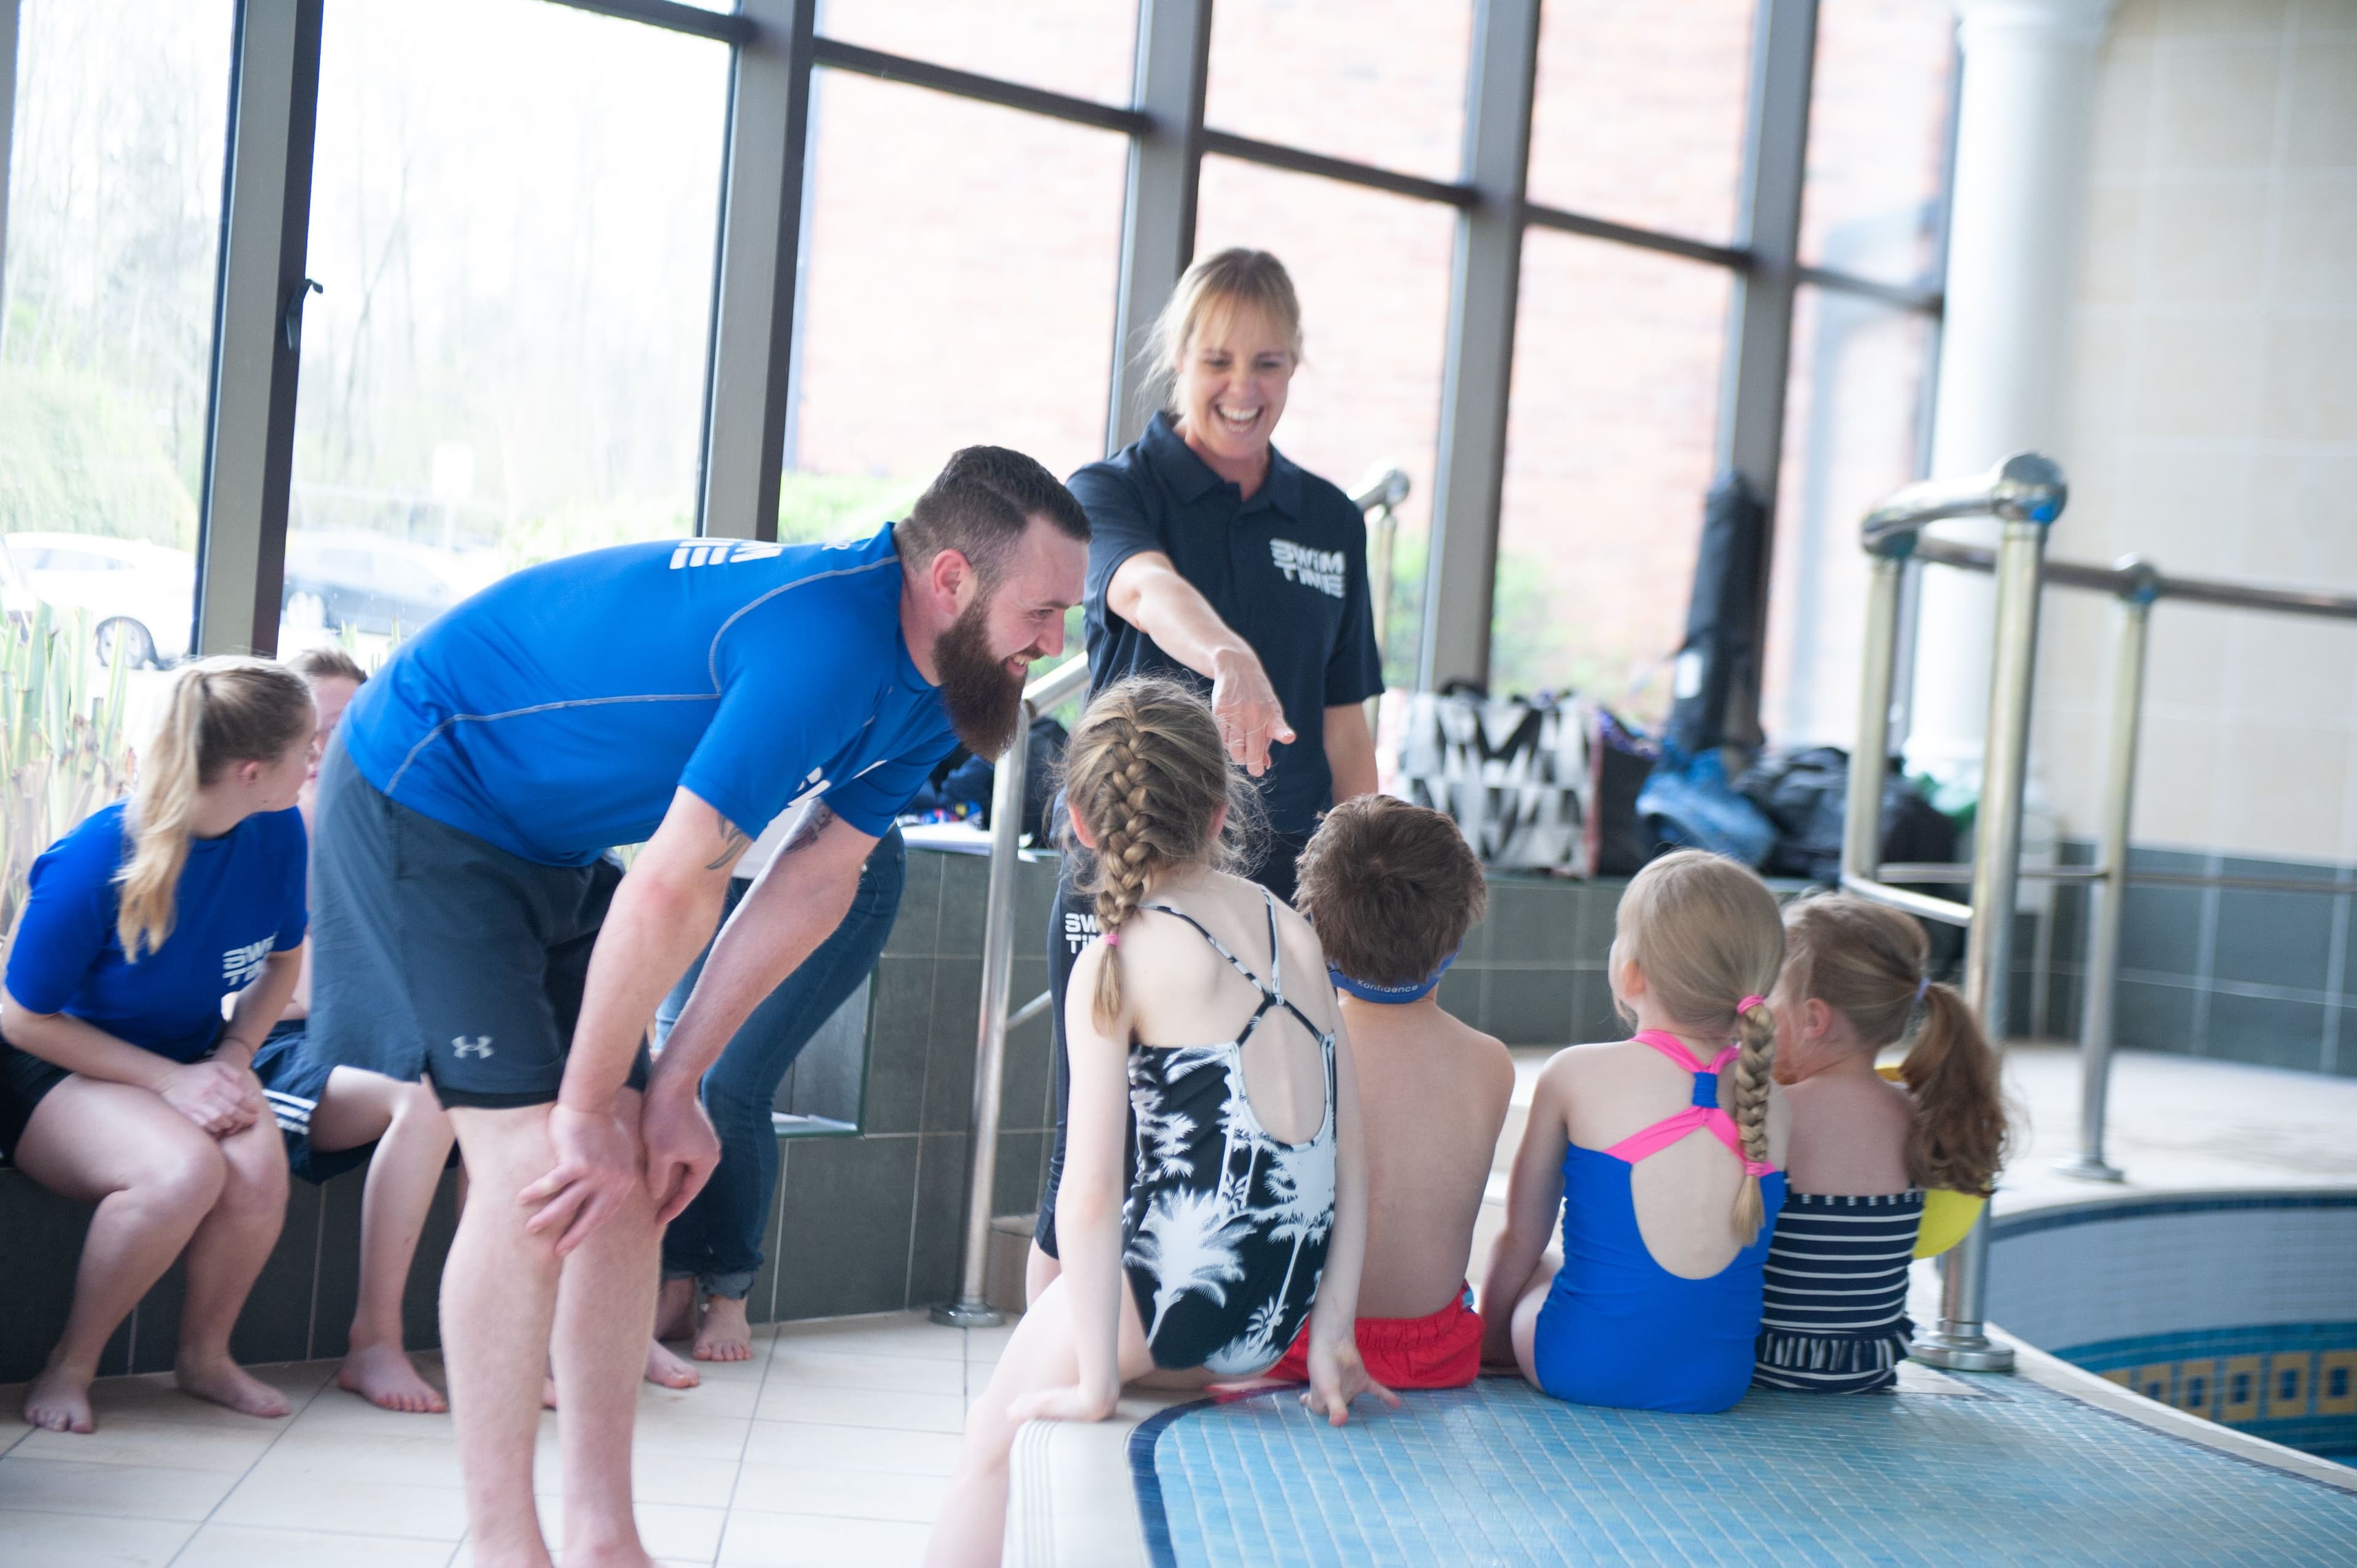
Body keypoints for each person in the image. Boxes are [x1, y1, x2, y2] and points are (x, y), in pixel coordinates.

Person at [308, 447, 1088, 1568]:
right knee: (543, 1166)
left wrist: (674, 1084)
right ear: (954, 581)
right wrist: (585, 1103)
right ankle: (501, 1543)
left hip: (548, 837)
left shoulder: (940, 688)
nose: (1057, 641)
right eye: (1044, 608)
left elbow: (819, 879)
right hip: (424, 788)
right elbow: (683, 876)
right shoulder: (827, 638)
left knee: (627, 1176)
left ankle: (604, 1537)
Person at [927, 679, 1394, 1568]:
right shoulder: (1292, 928)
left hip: (1166, 1306)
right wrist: (1333, 1333)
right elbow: (1352, 1149)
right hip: (1275, 1312)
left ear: (1080, 820)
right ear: (1223, 810)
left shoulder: (1122, 951)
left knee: (990, 1440)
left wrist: (1098, 1373)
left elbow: (1092, 1191)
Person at [1032, 247, 1384, 1297]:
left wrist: (1363, 889)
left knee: (1256, 1144)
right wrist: (1227, 653)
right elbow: (1139, 589)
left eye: (1270, 363)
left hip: (1277, 889)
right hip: (1135, 868)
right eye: (1219, 359)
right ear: (1176, 359)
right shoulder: (1112, 490)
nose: (1245, 388)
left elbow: (1347, 733)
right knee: (1092, 1137)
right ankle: (1049, 1366)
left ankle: (1206, 1355)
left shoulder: (1330, 522)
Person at [255, 649, 704, 1413]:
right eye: (316, 734)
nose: (328, 755)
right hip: (309, 1052)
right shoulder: (275, 835)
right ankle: (376, 1340)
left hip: (407, 1042)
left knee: (523, 1095)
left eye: (346, 731)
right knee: (437, 1095)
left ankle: (564, 1331)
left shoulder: (408, 833)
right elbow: (292, 994)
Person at [1, 658, 314, 1434]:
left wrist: (232, 1058)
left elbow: (282, 963)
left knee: (255, 1163)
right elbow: (19, 1017)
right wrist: (171, 1081)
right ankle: (70, 1364)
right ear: (251, 770)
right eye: (307, 746)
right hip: (57, 1065)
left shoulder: (275, 830)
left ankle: (204, 1358)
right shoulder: (94, 858)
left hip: (191, 1054)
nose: (316, 760)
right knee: (180, 1170)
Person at [1479, 849, 1790, 1415]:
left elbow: (1521, 1236)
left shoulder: (1575, 1072)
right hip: (1718, 1382)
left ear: (1632, 973)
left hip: (1575, 1364)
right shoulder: (1775, 1100)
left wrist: (1489, 1347)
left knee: (1546, 1259)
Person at [1256, 795, 1509, 1392]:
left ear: (1314, 927)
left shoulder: (1283, 1045)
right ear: (1456, 934)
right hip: (1434, 1355)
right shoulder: (1491, 1064)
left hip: (1290, 1341)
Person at [649, 813, 905, 1362]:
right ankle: (673, 1284)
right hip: (713, 866)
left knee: (731, 1085)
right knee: (674, 1077)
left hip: (834, 869)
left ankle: (728, 1293)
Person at [1752, 893, 2008, 1394]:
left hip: (1767, 1360)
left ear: (1812, 1019)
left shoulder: (1778, 1108)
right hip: (1869, 1367)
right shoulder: (1918, 1110)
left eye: (1767, 994)